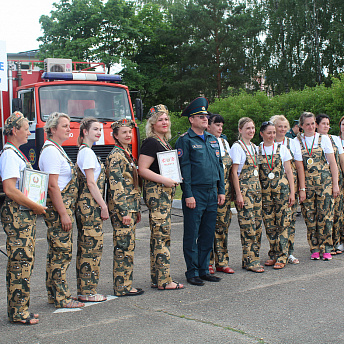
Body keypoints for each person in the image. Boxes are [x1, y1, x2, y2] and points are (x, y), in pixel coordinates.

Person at [0, 112, 46, 325]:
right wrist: (35, 205)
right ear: (14, 131)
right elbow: (10, 189)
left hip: (23, 215)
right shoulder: (9, 155)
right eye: (25, 127)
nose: (29, 131)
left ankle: (21, 308)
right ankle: (18, 312)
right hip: (18, 216)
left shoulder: (16, 153)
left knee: (24, 261)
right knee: (20, 262)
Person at [175, 97, 225, 286]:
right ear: (191, 119)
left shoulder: (213, 140)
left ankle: (204, 269)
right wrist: (187, 194)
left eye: (206, 116)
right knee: (192, 233)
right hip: (195, 192)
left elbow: (219, 166)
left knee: (207, 233)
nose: (205, 119)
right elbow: (184, 169)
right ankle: (192, 271)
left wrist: (221, 190)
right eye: (200, 116)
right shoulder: (185, 140)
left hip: (212, 192)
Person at [39, 112, 84, 308]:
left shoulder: (58, 149)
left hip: (63, 208)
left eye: (69, 125)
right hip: (59, 211)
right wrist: (64, 214)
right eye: (65, 126)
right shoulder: (50, 151)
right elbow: (52, 186)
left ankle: (54, 294)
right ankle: (62, 297)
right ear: (53, 129)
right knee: (61, 253)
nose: (69, 129)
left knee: (57, 252)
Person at [138, 104, 184, 290]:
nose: (164, 122)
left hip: (165, 194)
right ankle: (164, 280)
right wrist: (165, 179)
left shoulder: (163, 141)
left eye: (166, 119)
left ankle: (158, 277)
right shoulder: (151, 142)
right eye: (160, 119)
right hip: (157, 195)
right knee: (161, 236)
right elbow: (142, 169)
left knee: (161, 236)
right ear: (152, 123)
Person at [294, 111, 339, 260]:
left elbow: (332, 163)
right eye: (307, 124)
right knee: (310, 217)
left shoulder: (323, 139)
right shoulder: (297, 141)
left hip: (324, 184)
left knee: (326, 216)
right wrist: (302, 189)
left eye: (313, 123)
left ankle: (326, 247)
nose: (311, 126)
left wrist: (335, 184)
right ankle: (314, 247)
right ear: (301, 126)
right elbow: (299, 167)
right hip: (307, 185)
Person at [106, 119, 144, 296]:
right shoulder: (116, 156)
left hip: (130, 207)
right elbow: (117, 187)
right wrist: (125, 212)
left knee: (128, 246)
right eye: (124, 133)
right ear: (115, 135)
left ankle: (126, 284)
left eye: (129, 132)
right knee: (123, 247)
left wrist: (135, 209)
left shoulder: (126, 153)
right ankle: (122, 286)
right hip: (123, 209)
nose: (128, 135)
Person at [75, 117, 108, 302]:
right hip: (89, 205)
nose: (98, 132)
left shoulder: (87, 151)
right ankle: (87, 291)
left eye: (100, 129)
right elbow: (90, 182)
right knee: (91, 249)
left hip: (88, 204)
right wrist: (103, 206)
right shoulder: (87, 153)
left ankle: (85, 290)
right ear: (85, 132)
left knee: (88, 247)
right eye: (95, 129)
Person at [258, 121, 295, 269]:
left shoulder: (282, 149)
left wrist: (293, 192)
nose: (272, 135)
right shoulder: (257, 150)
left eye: (274, 132)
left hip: (282, 192)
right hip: (265, 194)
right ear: (262, 134)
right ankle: (273, 254)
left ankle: (282, 256)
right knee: (269, 224)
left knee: (283, 224)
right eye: (269, 133)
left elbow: (289, 172)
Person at [270, 115, 306, 265]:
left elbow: (299, 166)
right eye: (279, 126)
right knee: (272, 222)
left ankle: (288, 253)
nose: (283, 129)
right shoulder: (265, 143)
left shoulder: (293, 143)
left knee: (289, 221)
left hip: (289, 188)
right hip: (271, 190)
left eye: (285, 126)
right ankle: (275, 253)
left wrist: (301, 188)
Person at [230, 117, 264, 273]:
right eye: (248, 128)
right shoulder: (237, 147)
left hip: (256, 191)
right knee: (248, 226)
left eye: (253, 128)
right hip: (245, 192)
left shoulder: (255, 147)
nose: (251, 131)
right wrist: (238, 194)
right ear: (240, 130)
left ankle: (252, 258)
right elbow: (234, 173)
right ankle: (251, 260)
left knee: (257, 226)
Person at [207, 114, 234, 275]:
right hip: (211, 191)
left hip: (225, 192)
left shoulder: (224, 142)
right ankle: (208, 262)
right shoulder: (205, 141)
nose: (220, 128)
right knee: (209, 228)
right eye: (217, 125)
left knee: (223, 227)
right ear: (208, 126)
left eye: (221, 125)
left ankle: (222, 262)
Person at [315, 114, 344, 255]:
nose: (326, 126)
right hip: (321, 182)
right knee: (325, 214)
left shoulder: (335, 139)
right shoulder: (312, 140)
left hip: (337, 179)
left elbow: (341, 160)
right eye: (323, 124)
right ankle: (324, 244)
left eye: (328, 124)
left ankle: (336, 241)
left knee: (337, 212)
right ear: (317, 125)